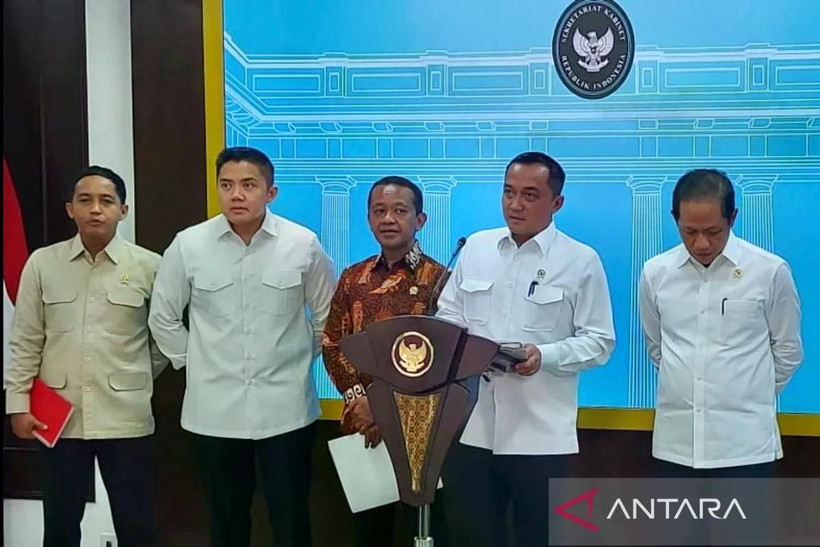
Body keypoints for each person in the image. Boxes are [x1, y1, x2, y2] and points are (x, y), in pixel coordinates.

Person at [148, 147, 335, 546]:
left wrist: (299, 357)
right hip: (213, 412)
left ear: (271, 192)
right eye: (227, 185)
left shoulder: (302, 244)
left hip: (286, 410)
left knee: (291, 521)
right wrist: (195, 362)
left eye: (248, 185)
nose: (236, 195)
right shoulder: (189, 245)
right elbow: (162, 317)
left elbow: (329, 318)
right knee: (226, 523)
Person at [436, 151, 616, 547]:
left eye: (530, 195)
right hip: (471, 429)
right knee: (471, 537)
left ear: (556, 203)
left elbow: (599, 342)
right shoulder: (477, 247)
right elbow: (448, 316)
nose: (515, 204)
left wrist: (543, 356)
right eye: (508, 192)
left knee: (539, 537)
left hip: (541, 435)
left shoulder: (581, 261)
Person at [5, 166, 167, 547]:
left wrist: (134, 376)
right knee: (60, 526)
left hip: (125, 418)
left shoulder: (150, 266)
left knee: (137, 524)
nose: (96, 209)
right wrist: (18, 404)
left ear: (123, 210)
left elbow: (164, 341)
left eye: (106, 200)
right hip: (58, 420)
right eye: (85, 200)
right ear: (69, 209)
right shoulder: (43, 264)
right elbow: (25, 339)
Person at [639, 168, 803, 478]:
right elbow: (657, 346)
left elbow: (788, 351)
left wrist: (745, 393)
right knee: (676, 528)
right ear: (675, 219)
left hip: (746, 447)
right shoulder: (655, 273)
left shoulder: (769, 271)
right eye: (689, 231)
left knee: (744, 529)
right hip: (676, 445)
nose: (701, 243)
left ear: (732, 218)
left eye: (713, 232)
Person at [322, 176, 450, 547]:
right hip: (362, 426)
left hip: (418, 429)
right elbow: (333, 343)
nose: (388, 219)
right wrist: (362, 402)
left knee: (422, 531)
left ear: (420, 220)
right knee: (367, 534)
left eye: (399, 210)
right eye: (379, 210)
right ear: (368, 218)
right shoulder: (353, 278)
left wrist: (384, 405)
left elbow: (441, 359)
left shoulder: (440, 279)